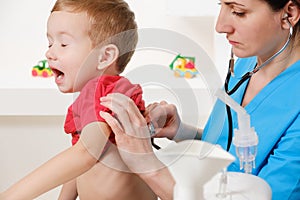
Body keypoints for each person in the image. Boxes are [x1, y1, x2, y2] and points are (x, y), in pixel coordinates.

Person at [99, 0, 300, 199]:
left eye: (238, 12)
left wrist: (147, 166)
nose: (220, 26)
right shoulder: (248, 62)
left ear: (289, 14)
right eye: (221, 6)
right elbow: (233, 152)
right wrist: (182, 131)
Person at [0, 0, 157, 199]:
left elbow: (84, 155)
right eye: (50, 43)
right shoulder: (104, 93)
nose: (49, 52)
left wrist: (10, 196)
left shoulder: (103, 89)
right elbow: (79, 161)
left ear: (104, 57)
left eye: (63, 44)